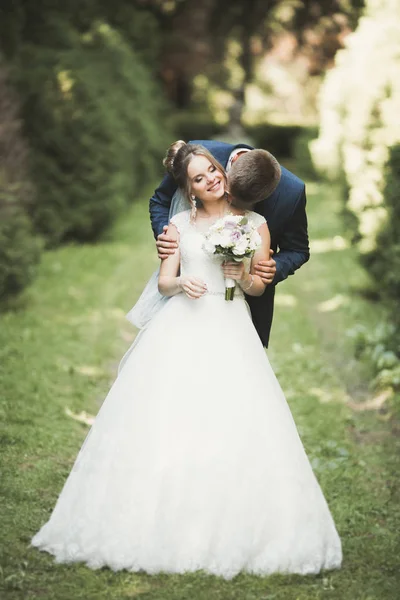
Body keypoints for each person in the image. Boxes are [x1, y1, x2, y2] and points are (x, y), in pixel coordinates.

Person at [30, 142, 342, 578]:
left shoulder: (256, 222)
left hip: (232, 324)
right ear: (191, 187)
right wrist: (179, 281)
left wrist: (252, 275)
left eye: (212, 172)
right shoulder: (178, 223)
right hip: (180, 325)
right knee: (166, 412)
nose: (211, 178)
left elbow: (265, 277)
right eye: (200, 177)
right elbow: (164, 280)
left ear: (225, 173)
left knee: (235, 415)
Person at [150, 139, 310, 347]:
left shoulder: (290, 193)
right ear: (227, 168)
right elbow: (161, 201)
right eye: (230, 192)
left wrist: (270, 268)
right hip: (188, 298)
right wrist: (171, 239)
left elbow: (298, 249)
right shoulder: (196, 157)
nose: (230, 202)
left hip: (241, 305)